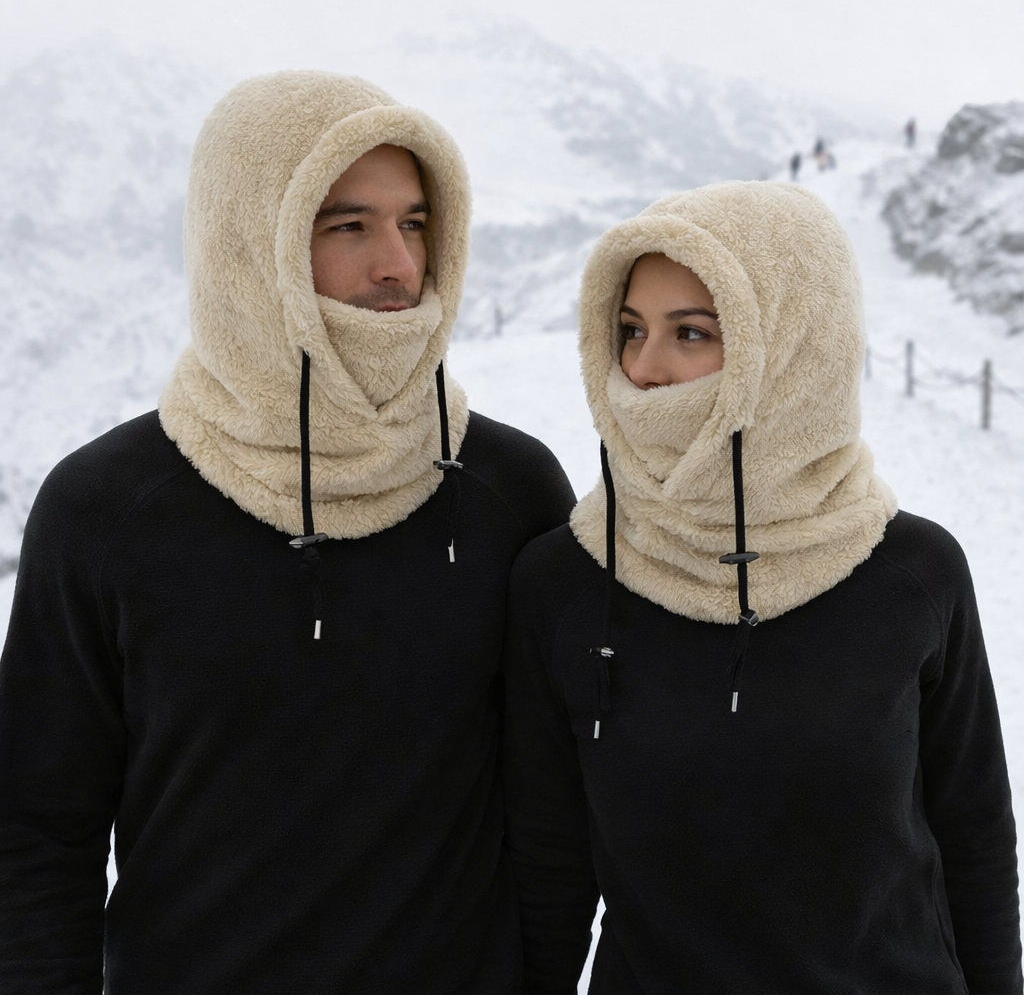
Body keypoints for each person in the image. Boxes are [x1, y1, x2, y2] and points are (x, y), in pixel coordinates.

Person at [0, 71, 575, 992]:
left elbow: (557, 810)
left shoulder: (509, 491)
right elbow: (36, 832)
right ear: (248, 243)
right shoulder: (105, 511)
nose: (399, 265)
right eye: (348, 225)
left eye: (415, 222)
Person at [503, 181, 1022, 993]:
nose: (643, 369)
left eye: (693, 333)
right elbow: (549, 865)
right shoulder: (564, 584)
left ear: (793, 350)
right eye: (630, 330)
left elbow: (975, 835)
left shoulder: (914, 574)